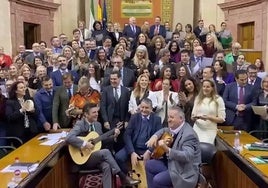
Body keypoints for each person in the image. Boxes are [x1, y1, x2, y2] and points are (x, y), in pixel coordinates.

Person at [66, 103, 140, 188]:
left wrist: (114, 136)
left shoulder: (98, 125)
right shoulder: (80, 124)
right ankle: (122, 177)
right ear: (86, 114)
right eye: (94, 112)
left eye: (97, 112)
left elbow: (102, 141)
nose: (97, 114)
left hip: (95, 156)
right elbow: (69, 137)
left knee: (107, 166)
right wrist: (85, 144)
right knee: (105, 152)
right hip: (82, 158)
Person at [144, 106, 201, 188]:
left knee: (158, 180)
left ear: (181, 119)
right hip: (172, 164)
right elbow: (164, 130)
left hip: (183, 172)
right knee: (149, 165)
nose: (168, 120)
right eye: (168, 117)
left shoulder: (189, 135)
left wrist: (167, 150)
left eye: (172, 117)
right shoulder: (175, 127)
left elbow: (187, 156)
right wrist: (155, 136)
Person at [115, 98, 162, 173]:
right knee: (118, 157)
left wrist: (149, 151)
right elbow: (127, 135)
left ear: (151, 108)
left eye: (146, 108)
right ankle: (128, 175)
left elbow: (159, 137)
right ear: (139, 107)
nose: (144, 110)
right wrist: (132, 152)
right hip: (134, 146)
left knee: (159, 160)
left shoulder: (157, 119)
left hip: (147, 149)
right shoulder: (134, 117)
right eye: (142, 107)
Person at [191, 79, 226, 144]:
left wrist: (208, 117)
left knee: (206, 150)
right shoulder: (198, 98)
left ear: (212, 88)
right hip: (197, 128)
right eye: (204, 86)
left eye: (208, 87)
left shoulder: (218, 99)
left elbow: (222, 119)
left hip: (209, 130)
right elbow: (192, 116)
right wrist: (195, 117)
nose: (205, 89)